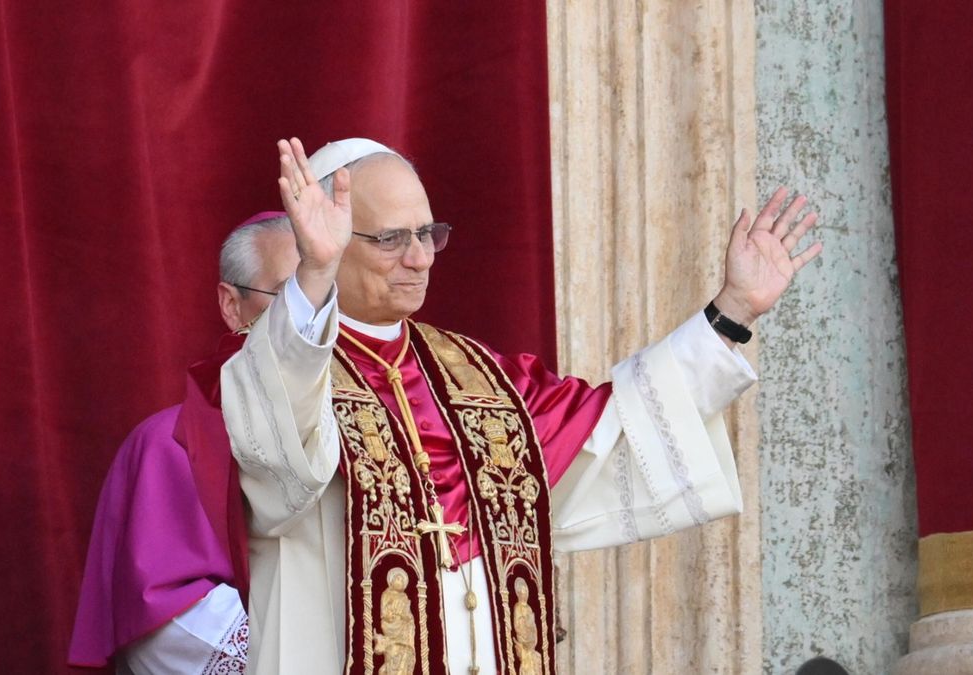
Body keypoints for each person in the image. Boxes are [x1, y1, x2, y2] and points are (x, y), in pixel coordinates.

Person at [220, 137, 822, 674]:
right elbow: (276, 461)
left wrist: (734, 311)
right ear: (329, 238)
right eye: (391, 239)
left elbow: (618, 426)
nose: (421, 258)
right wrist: (315, 275)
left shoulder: (481, 378)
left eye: (428, 234)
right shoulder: (282, 360)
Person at [68, 212, 299, 674]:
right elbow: (165, 621)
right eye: (292, 295)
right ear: (232, 305)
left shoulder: (384, 430)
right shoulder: (172, 444)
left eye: (332, 297)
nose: (315, 319)